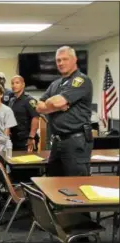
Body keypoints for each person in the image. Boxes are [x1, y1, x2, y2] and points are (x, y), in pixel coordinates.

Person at [36, 46, 93, 177]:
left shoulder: (81, 80)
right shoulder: (56, 84)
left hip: (75, 141)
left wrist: (51, 104)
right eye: (58, 60)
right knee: (53, 182)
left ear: (74, 60)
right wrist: (56, 105)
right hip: (57, 141)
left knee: (76, 183)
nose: (60, 63)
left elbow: (57, 102)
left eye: (65, 59)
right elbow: (39, 106)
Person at [9, 75, 40, 152]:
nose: (14, 85)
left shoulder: (30, 100)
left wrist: (31, 137)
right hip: (14, 139)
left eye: (17, 83)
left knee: (28, 163)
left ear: (23, 85)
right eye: (12, 83)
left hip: (26, 139)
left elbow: (35, 118)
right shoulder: (12, 101)